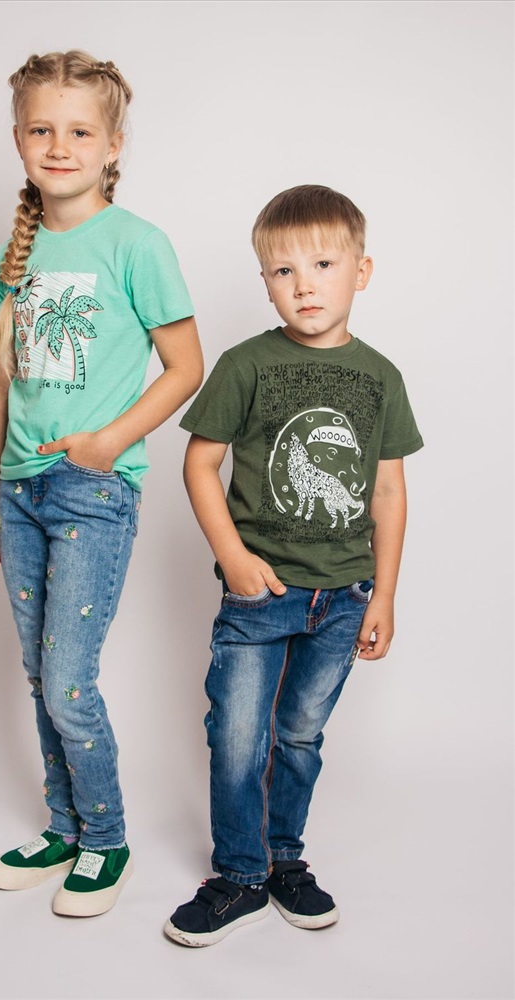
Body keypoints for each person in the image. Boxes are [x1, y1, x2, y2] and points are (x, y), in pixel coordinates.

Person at [0, 50, 202, 918]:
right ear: (18, 140)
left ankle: (107, 838)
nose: (58, 146)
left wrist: (107, 443)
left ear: (113, 145)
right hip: (20, 493)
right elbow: (0, 387)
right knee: (39, 675)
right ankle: (63, 827)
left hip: (90, 492)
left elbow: (186, 367)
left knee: (68, 679)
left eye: (78, 131)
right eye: (41, 129)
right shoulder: (13, 253)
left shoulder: (137, 244)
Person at [165, 185, 423, 946]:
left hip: (343, 595)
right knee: (237, 738)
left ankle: (284, 860)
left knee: (300, 737)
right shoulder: (246, 364)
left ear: (361, 271)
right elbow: (200, 464)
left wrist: (384, 596)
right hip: (261, 594)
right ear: (265, 283)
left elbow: (387, 491)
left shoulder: (381, 377)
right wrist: (233, 556)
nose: (304, 285)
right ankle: (239, 875)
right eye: (283, 271)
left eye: (322, 265)